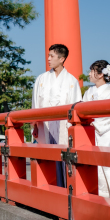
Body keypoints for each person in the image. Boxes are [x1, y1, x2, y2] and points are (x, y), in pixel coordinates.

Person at [31, 44, 82, 186]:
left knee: (64, 160)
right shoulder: (41, 79)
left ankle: (65, 190)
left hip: (63, 126)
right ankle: (45, 191)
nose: (48, 59)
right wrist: (34, 124)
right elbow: (35, 103)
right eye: (48, 55)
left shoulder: (72, 81)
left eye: (51, 56)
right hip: (44, 125)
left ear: (62, 59)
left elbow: (76, 106)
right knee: (46, 160)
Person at [84, 60, 110, 200]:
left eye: (92, 71)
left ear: (100, 74)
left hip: (108, 134)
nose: (89, 74)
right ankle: (98, 200)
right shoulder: (89, 92)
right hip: (92, 134)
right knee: (96, 170)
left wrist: (95, 122)